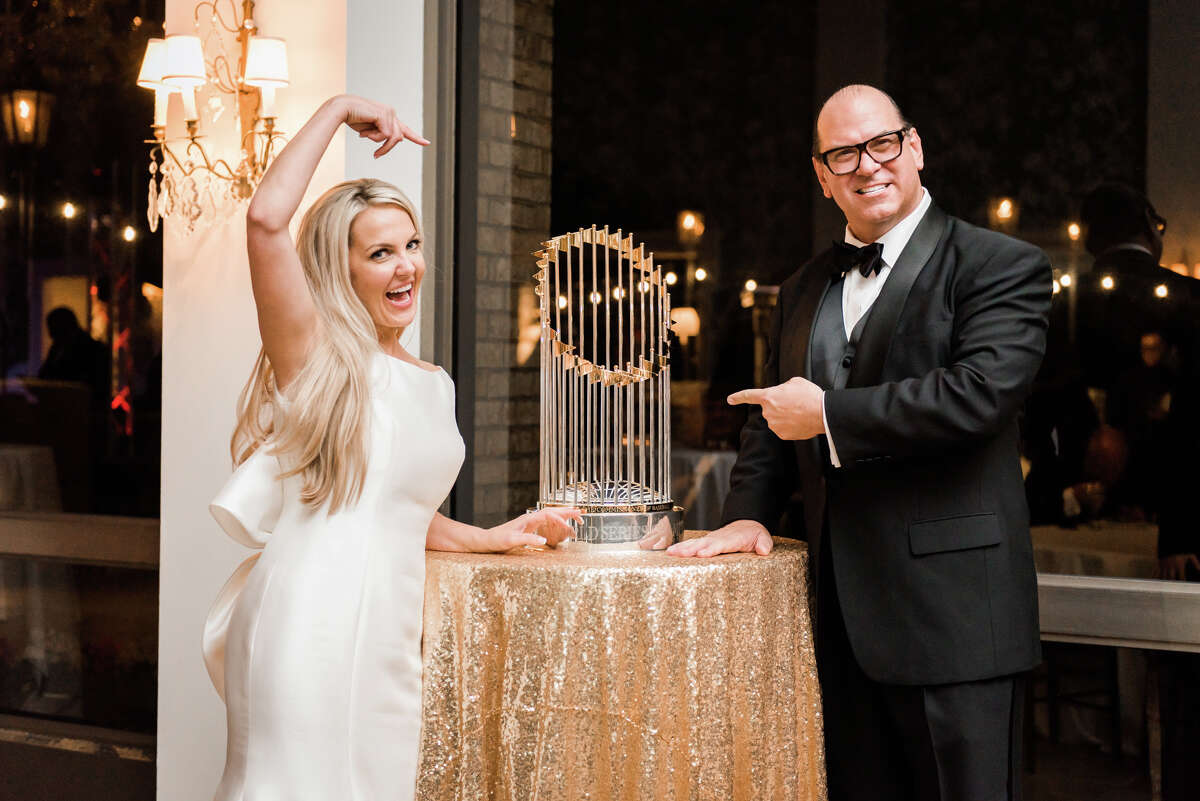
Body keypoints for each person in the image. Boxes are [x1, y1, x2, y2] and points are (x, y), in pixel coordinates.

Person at [669, 84, 1051, 800]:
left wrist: (832, 416)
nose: (867, 165)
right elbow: (769, 417)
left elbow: (979, 395)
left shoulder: (1000, 264)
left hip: (956, 623)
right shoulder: (803, 286)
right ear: (821, 176)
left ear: (914, 148)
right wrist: (748, 512)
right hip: (838, 625)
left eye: (882, 144)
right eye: (843, 154)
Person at [202, 94, 580, 800]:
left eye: (411, 245)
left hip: (388, 633)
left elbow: (392, 507)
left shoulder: (432, 382)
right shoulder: (316, 355)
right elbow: (264, 221)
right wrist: (341, 110)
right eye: (380, 252)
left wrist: (491, 538)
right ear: (340, 270)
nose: (406, 266)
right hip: (307, 616)